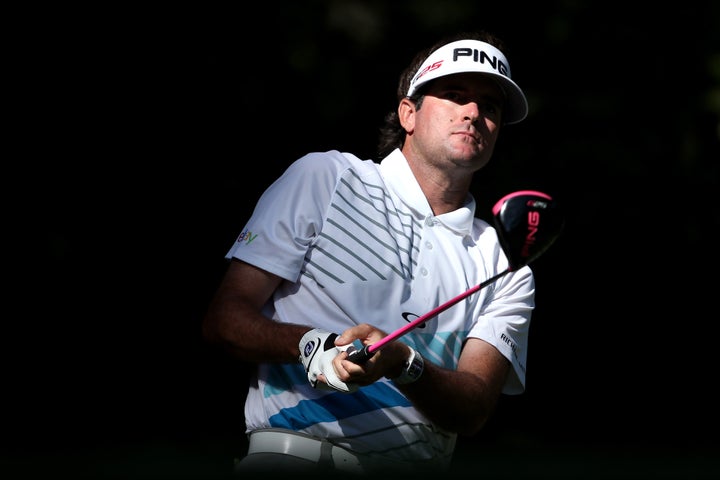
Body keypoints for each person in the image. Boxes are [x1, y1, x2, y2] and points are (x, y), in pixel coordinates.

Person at [202, 30, 533, 474]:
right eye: (454, 95)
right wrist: (311, 346)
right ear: (408, 113)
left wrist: (406, 365)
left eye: (489, 106)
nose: (473, 113)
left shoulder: (503, 263)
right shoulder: (325, 178)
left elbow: (471, 408)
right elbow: (225, 320)